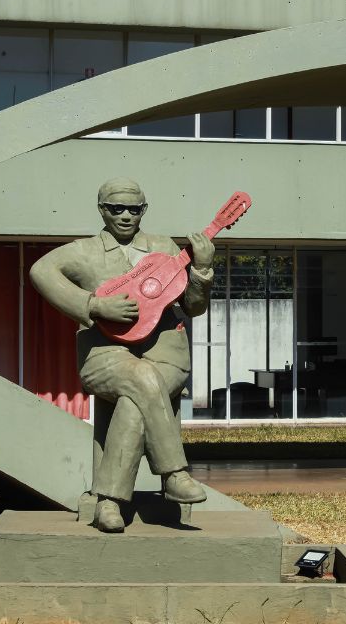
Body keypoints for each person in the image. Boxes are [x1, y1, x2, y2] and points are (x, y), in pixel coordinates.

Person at [29, 177, 215, 533]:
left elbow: (192, 307)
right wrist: (94, 305)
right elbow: (40, 271)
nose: (126, 216)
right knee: (142, 381)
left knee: (136, 396)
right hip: (104, 355)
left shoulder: (164, 247)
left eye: (135, 209)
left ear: (144, 209)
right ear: (102, 209)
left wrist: (202, 270)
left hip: (166, 354)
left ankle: (109, 502)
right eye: (117, 208)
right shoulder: (84, 252)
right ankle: (174, 473)